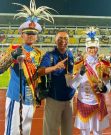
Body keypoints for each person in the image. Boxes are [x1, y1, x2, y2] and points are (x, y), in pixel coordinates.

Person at [0, 0, 54, 134]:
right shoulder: (14, 49)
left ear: (36, 37)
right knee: (12, 131)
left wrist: (42, 87)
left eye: (33, 33)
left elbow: (38, 74)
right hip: (15, 97)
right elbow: (0, 69)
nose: (30, 35)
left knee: (25, 131)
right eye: (27, 33)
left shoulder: (38, 53)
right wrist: (12, 56)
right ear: (21, 34)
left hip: (30, 99)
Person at [72, 27, 111, 135]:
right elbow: (73, 85)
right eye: (90, 48)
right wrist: (80, 74)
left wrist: (105, 89)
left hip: (97, 101)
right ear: (86, 48)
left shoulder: (104, 64)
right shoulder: (79, 64)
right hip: (83, 101)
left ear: (98, 48)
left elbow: (108, 84)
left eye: (94, 47)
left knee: (98, 131)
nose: (92, 50)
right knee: (84, 131)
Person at [37, 31, 75, 135]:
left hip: (69, 100)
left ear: (68, 41)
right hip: (54, 99)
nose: (63, 41)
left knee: (67, 131)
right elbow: (40, 71)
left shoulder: (70, 55)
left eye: (65, 39)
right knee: (51, 131)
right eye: (60, 39)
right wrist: (55, 67)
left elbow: (70, 73)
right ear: (55, 41)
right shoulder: (49, 55)